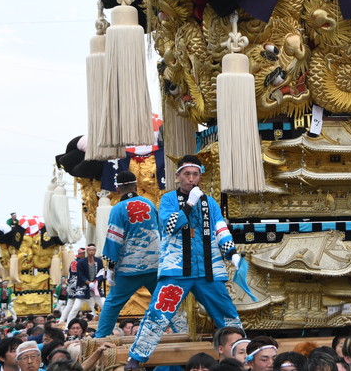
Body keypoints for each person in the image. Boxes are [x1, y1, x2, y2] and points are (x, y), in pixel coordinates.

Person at [125, 155, 243, 370]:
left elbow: (220, 227)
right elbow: (169, 226)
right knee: (158, 313)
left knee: (227, 313)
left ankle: (241, 355)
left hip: (208, 270)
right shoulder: (168, 199)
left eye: (195, 174)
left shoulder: (210, 202)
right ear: (177, 175)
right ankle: (136, 357)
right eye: (187, 174)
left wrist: (231, 252)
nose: (191, 179)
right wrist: (189, 204)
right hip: (176, 270)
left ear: (200, 176)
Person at [95, 171, 161, 337]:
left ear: (118, 189)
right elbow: (160, 232)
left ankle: (100, 338)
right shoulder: (150, 204)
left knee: (113, 303)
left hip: (129, 268)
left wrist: (110, 266)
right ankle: (180, 331)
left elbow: (114, 239)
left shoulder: (118, 209)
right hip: (155, 264)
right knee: (164, 301)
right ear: (136, 186)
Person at [65, 245, 104, 322]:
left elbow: (101, 273)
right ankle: (68, 325)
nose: (91, 252)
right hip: (83, 288)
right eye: (90, 250)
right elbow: (80, 275)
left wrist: (96, 282)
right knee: (75, 308)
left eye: (93, 250)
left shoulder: (99, 261)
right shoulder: (80, 262)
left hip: (96, 287)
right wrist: (88, 283)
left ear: (95, 251)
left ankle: (111, 324)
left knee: (105, 306)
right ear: (87, 251)